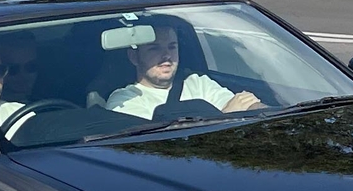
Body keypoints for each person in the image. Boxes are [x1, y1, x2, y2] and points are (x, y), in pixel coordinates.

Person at [95, 23, 262, 119]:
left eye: (172, 47)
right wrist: (224, 115)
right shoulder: (125, 99)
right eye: (154, 49)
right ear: (134, 57)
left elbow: (245, 105)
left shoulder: (198, 83)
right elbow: (156, 144)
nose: (166, 55)